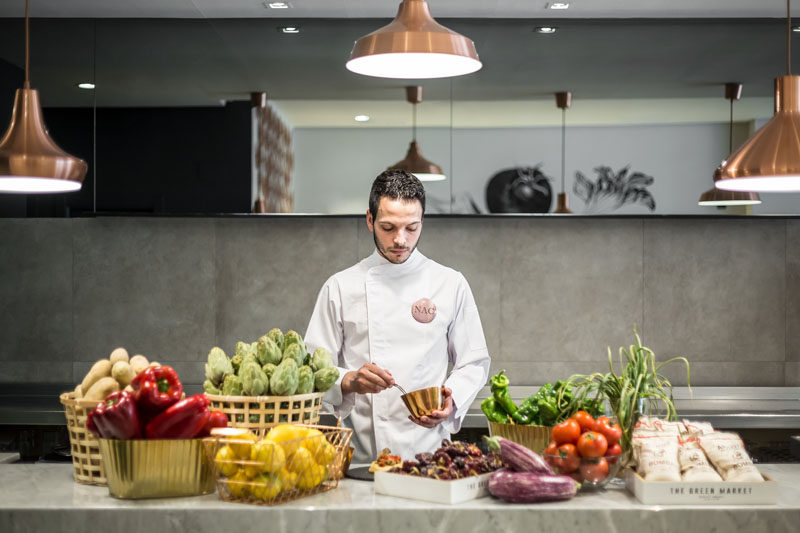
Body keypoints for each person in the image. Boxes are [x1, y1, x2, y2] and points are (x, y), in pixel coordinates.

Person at [304, 170, 491, 464]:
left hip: (430, 457)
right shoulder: (340, 287)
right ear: (370, 220)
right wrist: (350, 380)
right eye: (388, 227)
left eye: (411, 228)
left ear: (422, 222)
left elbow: (474, 362)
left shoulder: (450, 283)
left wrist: (451, 399)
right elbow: (312, 370)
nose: (400, 240)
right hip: (363, 457)